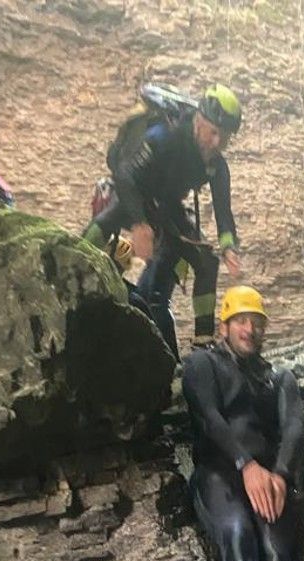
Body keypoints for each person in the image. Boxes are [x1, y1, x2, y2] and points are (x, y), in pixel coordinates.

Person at [183, 285, 304, 561]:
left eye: (257, 323)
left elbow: (295, 427)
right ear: (225, 324)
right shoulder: (202, 364)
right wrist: (245, 465)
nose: (250, 329)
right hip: (218, 475)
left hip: (269, 480)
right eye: (242, 321)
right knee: (238, 534)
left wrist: (279, 474)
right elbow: (209, 418)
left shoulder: (278, 378)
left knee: (279, 556)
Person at [83, 84, 243, 357]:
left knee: (206, 261)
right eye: (213, 133)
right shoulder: (165, 135)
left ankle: (203, 342)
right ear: (199, 121)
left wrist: (229, 247)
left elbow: (223, 214)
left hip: (167, 205)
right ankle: (74, 261)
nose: (217, 143)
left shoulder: (218, 167)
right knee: (112, 216)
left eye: (224, 137)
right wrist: (139, 223)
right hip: (135, 191)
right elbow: (124, 175)